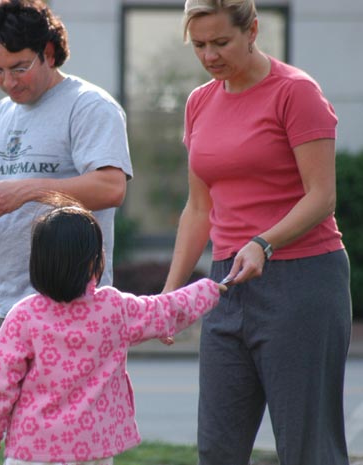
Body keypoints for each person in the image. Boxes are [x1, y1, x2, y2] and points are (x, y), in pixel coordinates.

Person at [161, 1, 352, 464]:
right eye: (199, 45)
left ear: (252, 31)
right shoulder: (200, 101)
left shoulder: (296, 92)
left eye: (221, 42)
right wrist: (169, 297)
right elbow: (199, 208)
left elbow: (322, 196)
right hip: (227, 284)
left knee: (307, 449)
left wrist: (264, 242)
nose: (210, 56)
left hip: (302, 280)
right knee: (217, 448)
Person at [0, 0, 133, 431]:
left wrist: (29, 190)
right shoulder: (1, 114)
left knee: (68, 444)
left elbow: (111, 188)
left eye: (19, 67)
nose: (8, 82)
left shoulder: (89, 106)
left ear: (48, 52)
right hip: (2, 310)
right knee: (2, 440)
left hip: (70, 312)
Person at [0, 196, 226, 464]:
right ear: (93, 261)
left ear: (37, 261)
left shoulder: (24, 316)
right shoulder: (113, 308)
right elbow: (166, 310)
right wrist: (210, 289)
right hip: (94, 447)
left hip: (34, 449)